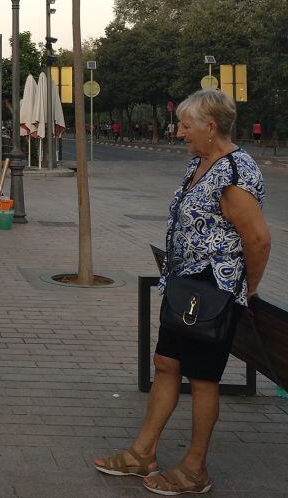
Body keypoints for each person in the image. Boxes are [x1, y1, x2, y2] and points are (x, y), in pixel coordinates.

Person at [94, 88, 271, 495]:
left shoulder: (234, 174)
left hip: (214, 290)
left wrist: (247, 291)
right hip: (186, 286)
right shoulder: (202, 163)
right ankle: (142, 452)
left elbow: (258, 240)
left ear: (211, 127)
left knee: (204, 378)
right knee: (166, 364)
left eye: (185, 125)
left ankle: (195, 469)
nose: (179, 132)